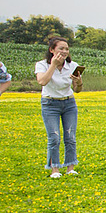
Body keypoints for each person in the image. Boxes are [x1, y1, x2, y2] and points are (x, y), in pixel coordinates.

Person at [34, 35, 81, 178]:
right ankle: (55, 169)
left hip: (68, 103)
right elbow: (42, 81)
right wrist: (53, 65)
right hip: (50, 104)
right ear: (52, 50)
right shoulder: (42, 65)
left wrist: (78, 82)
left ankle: (70, 167)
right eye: (61, 48)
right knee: (54, 137)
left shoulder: (72, 66)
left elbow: (77, 90)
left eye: (66, 49)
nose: (65, 51)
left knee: (70, 136)